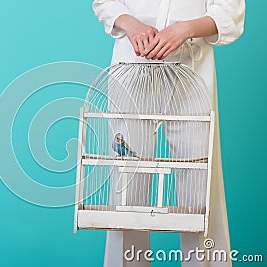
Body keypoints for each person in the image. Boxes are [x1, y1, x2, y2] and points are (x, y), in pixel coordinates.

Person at [92, 0, 245, 266]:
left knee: (201, 192)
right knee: (126, 191)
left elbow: (229, 10)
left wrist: (185, 29)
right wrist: (132, 24)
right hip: (131, 68)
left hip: (191, 72)